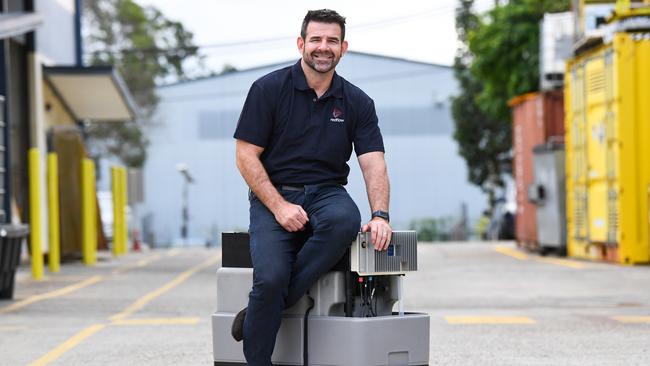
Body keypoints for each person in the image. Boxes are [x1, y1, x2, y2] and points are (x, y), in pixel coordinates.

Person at [232, 9, 392, 365]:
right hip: (275, 193)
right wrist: (278, 206)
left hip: (327, 192)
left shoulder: (357, 102)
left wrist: (380, 215)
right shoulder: (268, 90)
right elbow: (245, 155)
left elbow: (373, 162)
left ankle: (263, 308)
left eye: (332, 41)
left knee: (344, 219)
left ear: (343, 47)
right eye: (316, 39)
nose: (324, 47)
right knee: (269, 279)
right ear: (301, 43)